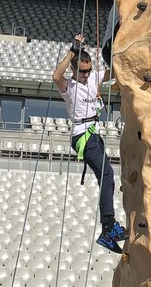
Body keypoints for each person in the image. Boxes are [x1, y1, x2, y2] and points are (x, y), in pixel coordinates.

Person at [52, 31, 125, 253]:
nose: (86, 75)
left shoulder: (93, 78)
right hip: (82, 135)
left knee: (107, 176)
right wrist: (72, 51)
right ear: (74, 70)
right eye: (82, 71)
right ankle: (108, 227)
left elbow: (113, 71)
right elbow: (56, 76)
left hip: (94, 132)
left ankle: (108, 228)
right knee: (107, 174)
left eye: (88, 71)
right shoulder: (69, 87)